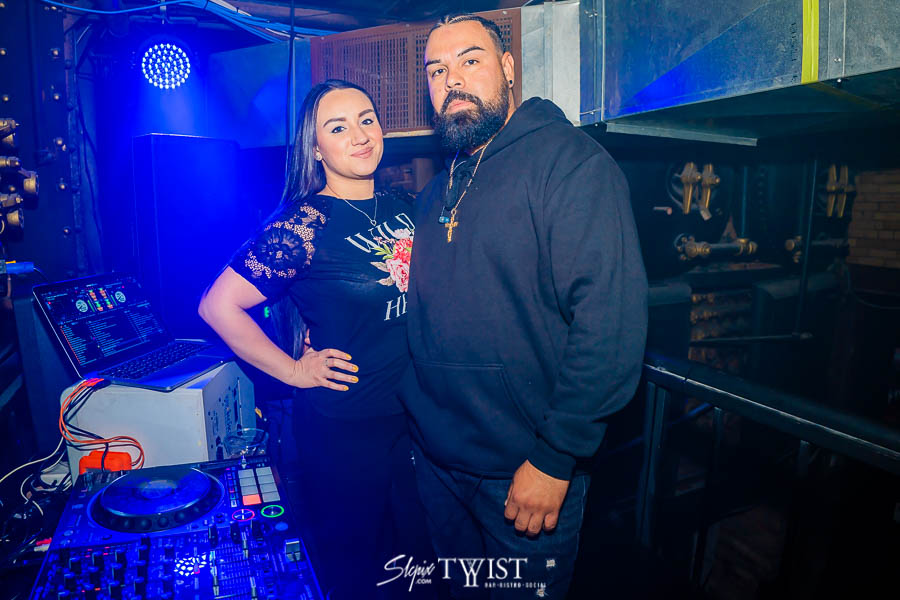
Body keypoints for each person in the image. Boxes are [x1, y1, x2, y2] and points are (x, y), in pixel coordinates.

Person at [403, 14, 649, 599]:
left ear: (509, 68)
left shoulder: (571, 164)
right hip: (437, 464)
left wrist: (556, 455)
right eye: (437, 70)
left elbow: (610, 323)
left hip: (523, 475)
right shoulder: (437, 190)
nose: (452, 80)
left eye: (470, 60)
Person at [199, 79, 431, 600]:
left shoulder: (406, 207)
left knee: (417, 572)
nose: (360, 135)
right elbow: (217, 306)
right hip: (347, 430)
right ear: (316, 148)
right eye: (338, 127)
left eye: (367, 119)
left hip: (416, 422)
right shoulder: (303, 225)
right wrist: (293, 370)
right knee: (356, 576)